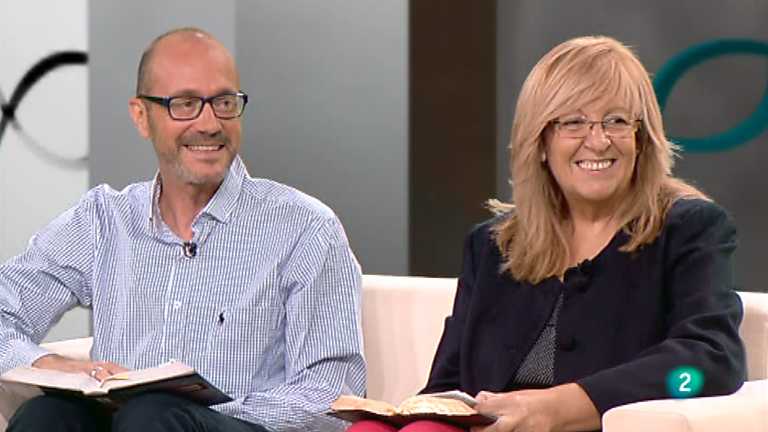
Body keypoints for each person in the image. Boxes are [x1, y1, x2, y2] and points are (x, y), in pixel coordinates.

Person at [348, 35, 746, 432]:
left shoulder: (688, 229)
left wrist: (561, 406)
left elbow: (709, 359)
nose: (598, 141)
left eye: (617, 121)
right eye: (573, 123)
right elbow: (448, 385)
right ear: (540, 142)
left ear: (641, 139)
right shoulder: (493, 246)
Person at [0, 27, 365, 432]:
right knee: (47, 416)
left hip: (237, 426)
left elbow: (330, 394)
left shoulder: (305, 229)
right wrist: (45, 363)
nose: (209, 123)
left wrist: (199, 419)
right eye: (185, 104)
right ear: (141, 116)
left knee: (153, 415)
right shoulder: (104, 221)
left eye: (224, 103)